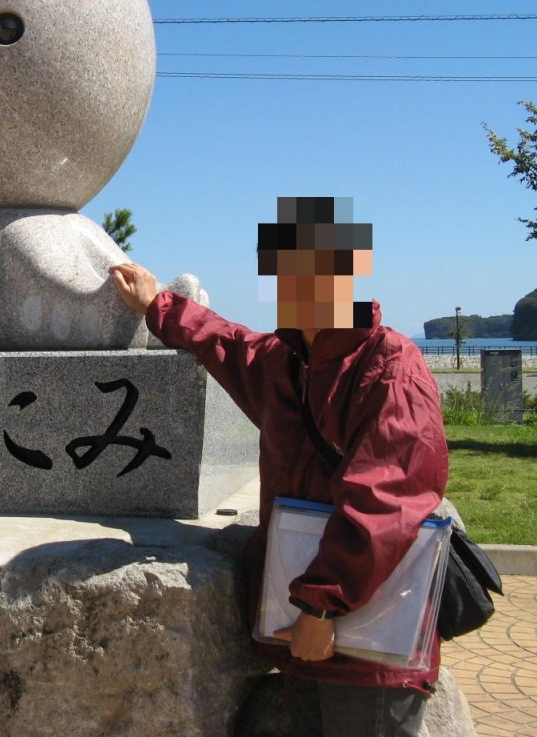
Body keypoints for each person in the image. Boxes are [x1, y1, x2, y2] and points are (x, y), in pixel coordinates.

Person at [109, 196, 448, 737]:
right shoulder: (285, 362)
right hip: (304, 633)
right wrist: (157, 306)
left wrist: (322, 607)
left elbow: (387, 500)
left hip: (365, 645)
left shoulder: (388, 364)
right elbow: (226, 343)